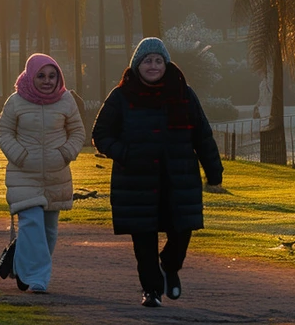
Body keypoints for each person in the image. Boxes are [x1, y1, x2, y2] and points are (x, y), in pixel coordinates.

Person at [92, 37, 224, 308]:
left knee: (182, 232)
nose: (153, 66)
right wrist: (125, 153)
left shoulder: (183, 93)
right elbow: (100, 134)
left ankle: (170, 266)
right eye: (147, 61)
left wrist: (214, 172)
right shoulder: (121, 96)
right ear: (136, 65)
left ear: (166, 63)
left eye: (158, 60)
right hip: (136, 180)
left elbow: (202, 135)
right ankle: (151, 289)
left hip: (179, 177)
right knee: (144, 239)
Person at [0, 53, 86, 295]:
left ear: (58, 77)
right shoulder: (15, 101)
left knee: (48, 231)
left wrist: (65, 153)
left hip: (56, 176)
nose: (47, 81)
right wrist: (20, 155)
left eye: (52, 76)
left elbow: (78, 132)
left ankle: (21, 267)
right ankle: (38, 278)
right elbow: (2, 132)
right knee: (31, 223)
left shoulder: (66, 101)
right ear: (30, 76)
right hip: (24, 175)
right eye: (41, 76)